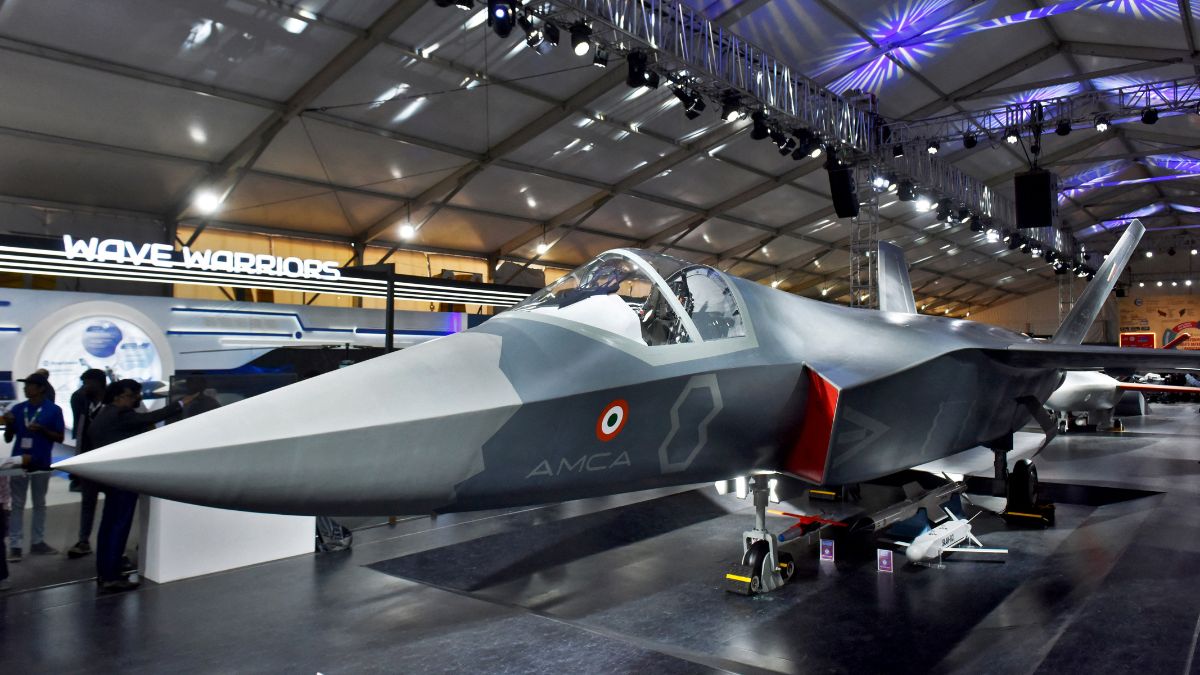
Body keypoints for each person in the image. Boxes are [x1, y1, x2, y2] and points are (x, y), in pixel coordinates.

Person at [87, 379, 195, 592]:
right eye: (133, 395)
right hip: (123, 481)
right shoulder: (121, 415)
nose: (137, 399)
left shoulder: (102, 415)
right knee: (119, 526)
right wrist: (180, 404)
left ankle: (105, 573)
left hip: (110, 480)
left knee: (108, 527)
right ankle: (112, 577)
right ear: (120, 396)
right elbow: (150, 418)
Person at [5, 373, 65, 562]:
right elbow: (8, 438)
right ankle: (15, 545)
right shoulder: (18, 408)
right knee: (16, 504)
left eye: (30, 385)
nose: (25, 388)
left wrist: (42, 430)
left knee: (39, 503)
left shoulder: (53, 410)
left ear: (41, 388)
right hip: (19, 462)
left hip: (41, 461)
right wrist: (8, 424)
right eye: (25, 385)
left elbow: (60, 437)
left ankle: (37, 542)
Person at [66, 369, 107, 559]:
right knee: (87, 503)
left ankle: (111, 544)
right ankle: (83, 540)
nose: (84, 387)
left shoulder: (110, 405)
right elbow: (81, 433)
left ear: (98, 383)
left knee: (113, 505)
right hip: (89, 462)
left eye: (87, 383)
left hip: (108, 464)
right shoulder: (83, 404)